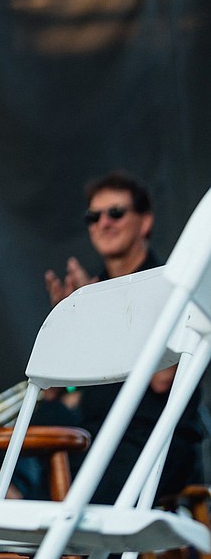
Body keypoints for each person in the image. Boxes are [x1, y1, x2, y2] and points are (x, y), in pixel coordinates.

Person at [44, 171, 202, 506]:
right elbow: (57, 390)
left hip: (155, 441)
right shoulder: (89, 291)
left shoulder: (173, 283)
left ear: (145, 222)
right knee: (31, 479)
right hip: (92, 438)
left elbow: (162, 379)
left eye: (115, 213)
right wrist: (65, 328)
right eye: (94, 216)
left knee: (88, 505)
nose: (104, 223)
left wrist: (100, 311)